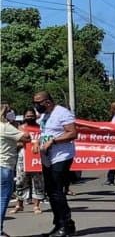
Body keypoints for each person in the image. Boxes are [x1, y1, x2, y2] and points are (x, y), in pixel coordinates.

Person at [33, 91, 78, 237]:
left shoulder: (62, 113)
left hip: (61, 156)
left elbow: (72, 133)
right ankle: (58, 224)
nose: (36, 106)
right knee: (51, 192)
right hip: (48, 158)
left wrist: (54, 141)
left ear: (47, 102)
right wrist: (37, 142)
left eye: (38, 103)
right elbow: (46, 133)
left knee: (57, 192)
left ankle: (67, 225)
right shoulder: (45, 115)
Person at [1, 103, 31, 237]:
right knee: (2, 199)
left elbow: (14, 141)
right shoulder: (6, 127)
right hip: (5, 166)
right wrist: (21, 128)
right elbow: (26, 137)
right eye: (9, 111)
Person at [10, 108, 45, 215]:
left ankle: (36, 206)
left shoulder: (40, 128)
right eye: (28, 116)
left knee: (38, 181)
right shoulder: (20, 128)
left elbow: (45, 140)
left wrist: (37, 143)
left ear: (35, 116)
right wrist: (26, 143)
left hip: (36, 158)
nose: (30, 117)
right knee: (20, 181)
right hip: (23, 157)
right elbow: (15, 143)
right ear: (24, 117)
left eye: (32, 115)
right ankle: (19, 205)